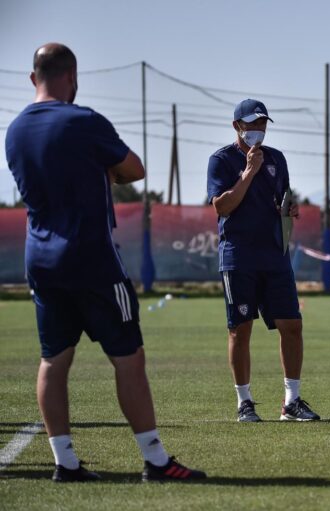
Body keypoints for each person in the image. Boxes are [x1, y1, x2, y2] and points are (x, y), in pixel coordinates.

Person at [4, 43, 205, 482]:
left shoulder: (14, 130)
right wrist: (104, 171)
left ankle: (65, 463)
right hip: (91, 259)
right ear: (72, 76)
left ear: (31, 77)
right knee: (128, 357)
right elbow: (134, 168)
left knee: (53, 360)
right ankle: (154, 459)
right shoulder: (83, 120)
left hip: (40, 260)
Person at [207, 99, 320, 423]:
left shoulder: (277, 159)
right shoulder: (221, 160)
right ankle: (245, 402)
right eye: (251, 124)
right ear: (236, 126)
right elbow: (222, 207)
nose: (258, 130)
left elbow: (280, 200)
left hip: (275, 254)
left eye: (262, 124)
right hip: (238, 256)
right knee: (240, 330)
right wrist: (249, 172)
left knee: (292, 326)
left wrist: (289, 209)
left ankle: (292, 402)